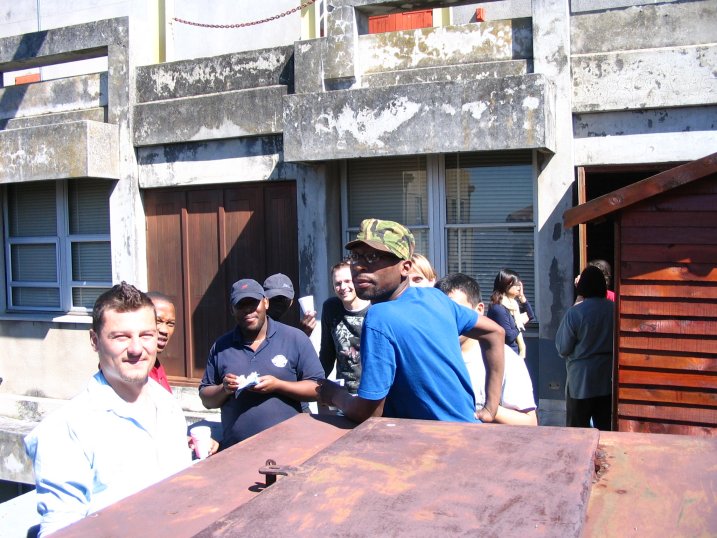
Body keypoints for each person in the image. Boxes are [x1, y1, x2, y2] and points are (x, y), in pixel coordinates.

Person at [24, 283, 192, 537]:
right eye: (121, 337)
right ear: (95, 341)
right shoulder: (67, 429)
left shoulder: (167, 405)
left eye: (146, 335)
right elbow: (60, 528)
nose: (136, 349)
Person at [317, 218, 505, 424]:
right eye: (355, 256)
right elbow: (494, 332)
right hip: (467, 430)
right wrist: (490, 408)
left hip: (436, 439)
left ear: (405, 268)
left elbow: (368, 413)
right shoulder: (435, 298)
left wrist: (335, 395)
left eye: (372, 257)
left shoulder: (380, 316)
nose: (359, 266)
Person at [199, 279, 324, 449]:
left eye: (253, 303)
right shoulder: (221, 347)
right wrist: (224, 389)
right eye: (241, 305)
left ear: (265, 302)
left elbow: (318, 389)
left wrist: (278, 385)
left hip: (290, 449)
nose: (248, 310)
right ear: (232, 310)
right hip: (237, 452)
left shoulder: (294, 338)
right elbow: (207, 400)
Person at [436, 273, 537, 426]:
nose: (449, 320)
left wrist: (485, 408)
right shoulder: (425, 354)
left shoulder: (507, 359)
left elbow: (529, 422)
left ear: (479, 310)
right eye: (440, 313)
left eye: (458, 312)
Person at [556, 265, 614, 430]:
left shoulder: (575, 313)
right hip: (607, 377)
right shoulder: (614, 309)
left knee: (577, 431)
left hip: (580, 379)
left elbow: (563, 348)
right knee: (606, 429)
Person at [487, 269, 535, 359]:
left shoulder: (512, 305)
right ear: (506, 285)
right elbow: (508, 337)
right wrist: (520, 324)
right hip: (504, 356)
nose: (519, 287)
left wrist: (521, 296)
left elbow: (530, 316)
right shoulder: (498, 308)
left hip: (513, 354)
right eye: (516, 284)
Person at [146, 291, 176, 393]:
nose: (165, 330)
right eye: (158, 321)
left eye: (170, 324)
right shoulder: (132, 371)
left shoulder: (155, 366)